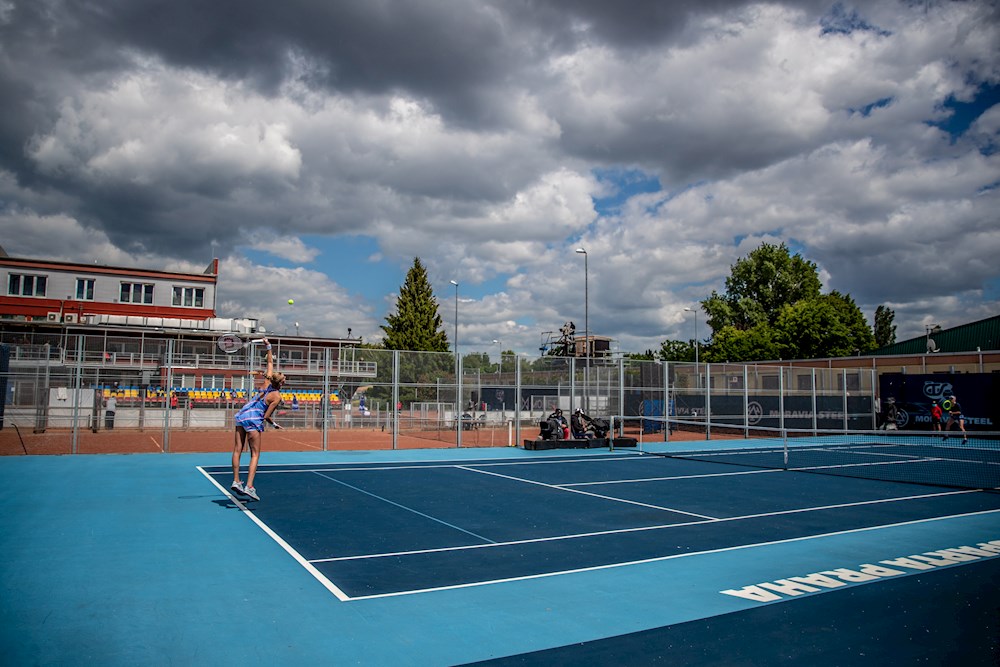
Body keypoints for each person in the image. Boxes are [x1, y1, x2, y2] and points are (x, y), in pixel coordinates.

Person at [231, 339, 286, 501]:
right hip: (254, 420)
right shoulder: (276, 396)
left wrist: (267, 345)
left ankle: (236, 481)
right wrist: (274, 424)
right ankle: (249, 486)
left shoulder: (266, 382)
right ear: (281, 382)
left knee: (237, 450)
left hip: (242, 414)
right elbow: (266, 416)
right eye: (284, 379)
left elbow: (270, 361)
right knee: (255, 454)